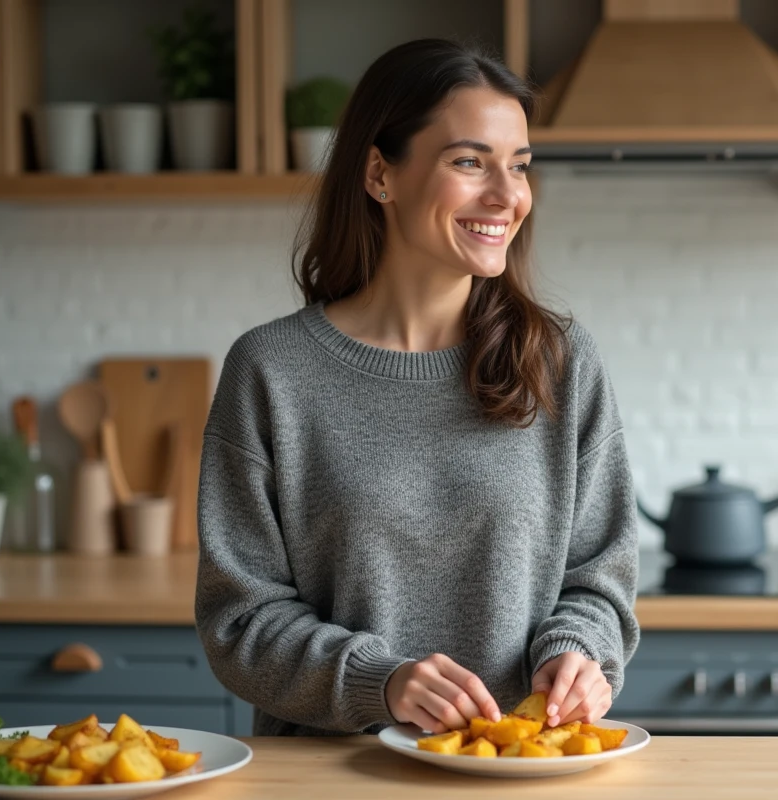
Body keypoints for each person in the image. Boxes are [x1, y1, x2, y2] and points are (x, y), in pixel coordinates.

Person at [195, 38, 639, 737]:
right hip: (331, 780)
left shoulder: (560, 362)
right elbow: (240, 622)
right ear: (380, 174)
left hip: (515, 774)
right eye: (469, 162)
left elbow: (599, 581)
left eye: (519, 167)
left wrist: (578, 652)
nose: (507, 196)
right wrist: (385, 681)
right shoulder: (270, 371)